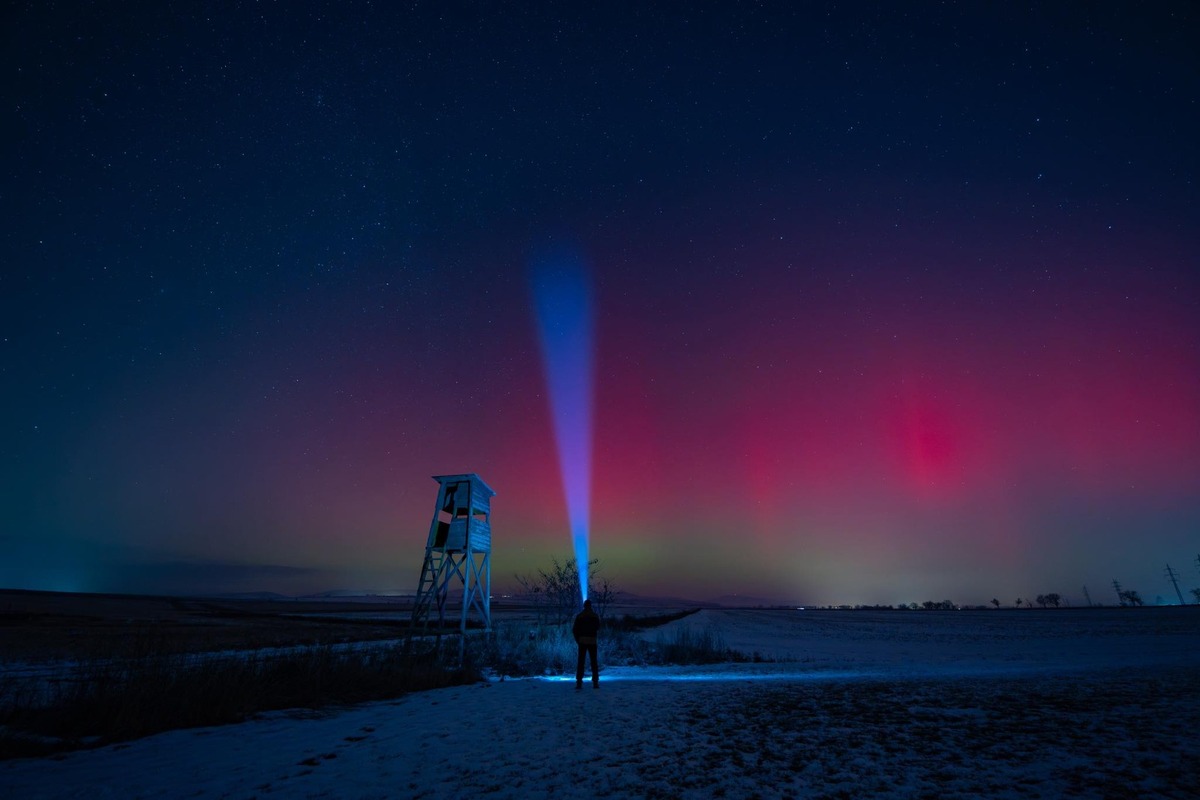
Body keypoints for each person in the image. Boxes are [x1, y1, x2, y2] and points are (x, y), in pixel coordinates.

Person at [572, 599, 600, 688]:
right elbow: (598, 627)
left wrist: (578, 640)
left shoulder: (579, 616)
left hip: (582, 641)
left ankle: (579, 682)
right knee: (594, 662)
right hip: (592, 641)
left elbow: (574, 630)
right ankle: (595, 682)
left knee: (581, 662)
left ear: (584, 606)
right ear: (590, 606)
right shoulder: (595, 616)